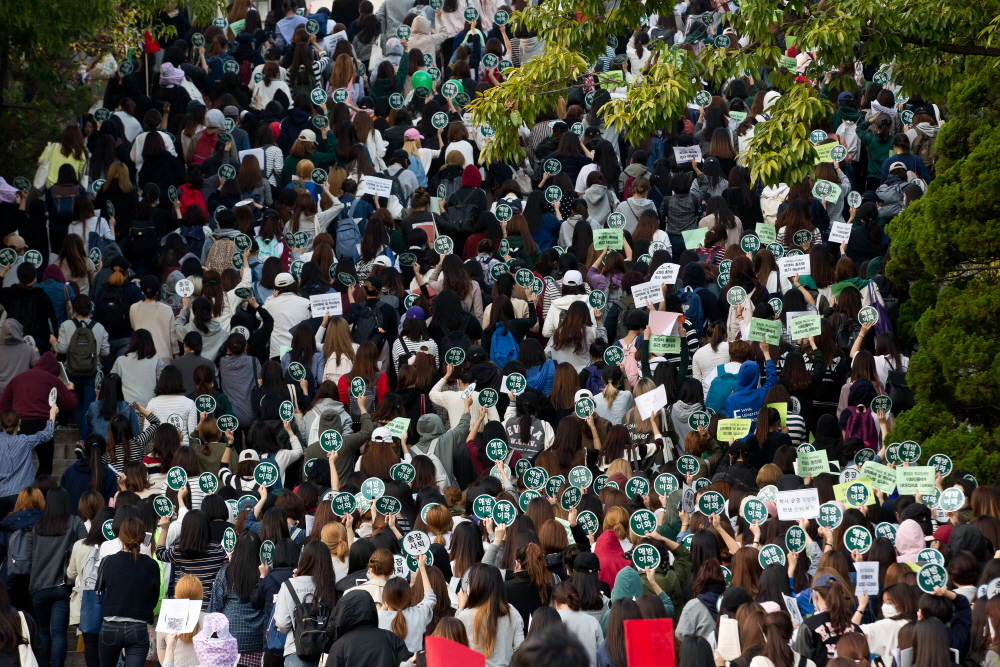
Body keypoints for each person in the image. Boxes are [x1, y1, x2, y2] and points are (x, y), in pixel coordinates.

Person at [96, 517, 161, 667]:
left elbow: (104, 589)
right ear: (143, 537)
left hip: (110, 625)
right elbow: (154, 597)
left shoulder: (108, 561)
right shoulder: (151, 565)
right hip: (138, 627)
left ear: (120, 536)